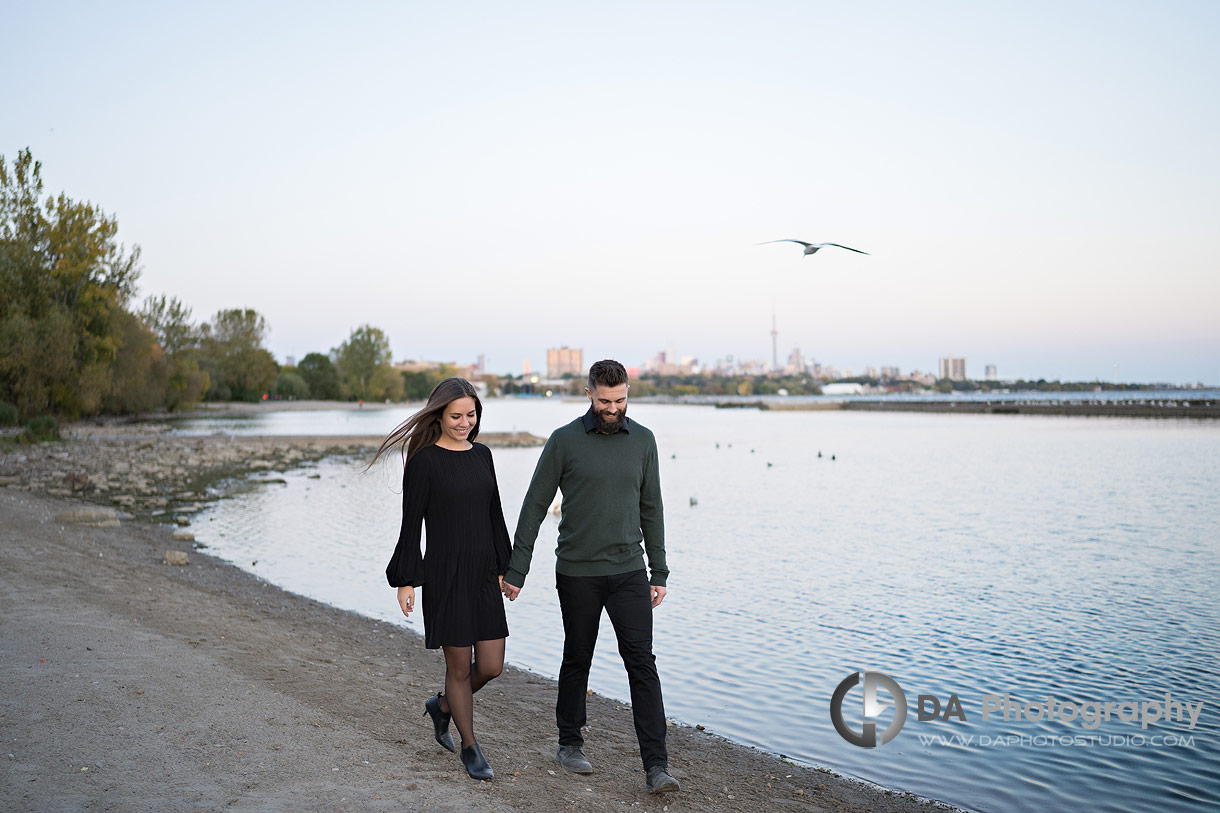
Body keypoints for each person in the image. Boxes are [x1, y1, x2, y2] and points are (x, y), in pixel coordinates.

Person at [501, 359, 679, 795]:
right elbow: (534, 505)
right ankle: (569, 743)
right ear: (588, 395)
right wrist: (516, 568)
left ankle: (656, 766)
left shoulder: (644, 441)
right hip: (577, 572)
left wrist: (659, 570)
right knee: (578, 656)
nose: (612, 408)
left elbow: (651, 507)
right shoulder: (563, 441)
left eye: (619, 400)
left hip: (629, 572)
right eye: (604, 401)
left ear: (627, 394)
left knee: (642, 663)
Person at [377, 377, 511, 781]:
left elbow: (494, 514)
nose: (463, 422)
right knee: (457, 667)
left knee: (491, 665)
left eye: (470, 415)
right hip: (445, 576)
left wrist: (507, 567)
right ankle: (471, 748)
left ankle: (443, 707)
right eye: (455, 416)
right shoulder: (424, 462)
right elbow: (410, 524)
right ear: (439, 415)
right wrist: (405, 580)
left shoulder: (483, 455)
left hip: (484, 573)